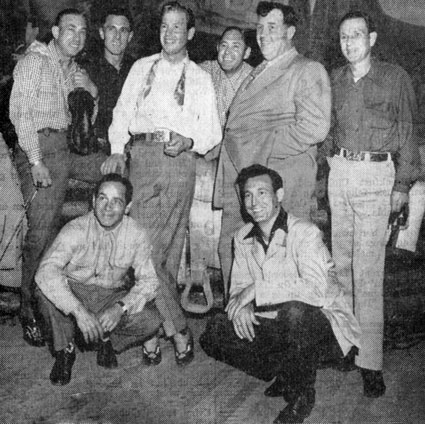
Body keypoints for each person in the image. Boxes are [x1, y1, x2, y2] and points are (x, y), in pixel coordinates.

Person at [101, 1, 222, 365]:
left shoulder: (199, 78)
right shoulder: (141, 68)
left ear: (189, 34)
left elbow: (212, 130)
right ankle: (177, 330)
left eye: (177, 28)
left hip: (178, 163)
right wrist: (118, 149)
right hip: (142, 158)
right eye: (164, 27)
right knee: (148, 253)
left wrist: (189, 140)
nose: (169, 34)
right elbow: (121, 113)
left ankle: (152, 334)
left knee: (163, 255)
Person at [200, 164, 360, 424]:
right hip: (278, 325)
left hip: (325, 328)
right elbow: (237, 291)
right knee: (215, 332)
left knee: (294, 312)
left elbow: (318, 291)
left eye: (262, 193)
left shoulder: (305, 233)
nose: (254, 202)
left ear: (279, 195)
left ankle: (302, 395)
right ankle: (287, 369)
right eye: (248, 195)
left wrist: (258, 290)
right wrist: (242, 306)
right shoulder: (242, 237)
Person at [323, 11, 420, 397]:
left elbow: (409, 132)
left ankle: (371, 361)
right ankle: (347, 345)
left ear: (372, 38)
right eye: (344, 36)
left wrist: (402, 185)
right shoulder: (335, 79)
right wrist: (330, 159)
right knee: (341, 265)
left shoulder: (395, 77)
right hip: (341, 173)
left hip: (377, 176)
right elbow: (328, 125)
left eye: (357, 35)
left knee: (368, 272)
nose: (350, 42)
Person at [214, 2, 331, 293]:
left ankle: (272, 335)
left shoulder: (306, 69)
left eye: (272, 28)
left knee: (280, 264)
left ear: (290, 32)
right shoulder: (259, 70)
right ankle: (239, 325)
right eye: (260, 28)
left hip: (279, 181)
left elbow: (314, 127)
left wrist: (258, 149)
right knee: (235, 252)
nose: (263, 34)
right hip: (240, 178)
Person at [9, 8, 107, 347]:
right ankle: (28, 308)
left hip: (69, 149)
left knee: (115, 172)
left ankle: (97, 285)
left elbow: (85, 126)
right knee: (41, 232)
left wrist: (92, 93)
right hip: (38, 146)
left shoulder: (76, 72)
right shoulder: (35, 62)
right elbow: (20, 112)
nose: (76, 36)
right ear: (54, 31)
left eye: (82, 31)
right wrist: (35, 161)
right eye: (69, 29)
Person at [35, 174, 163, 386]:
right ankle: (65, 350)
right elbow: (46, 272)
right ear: (93, 201)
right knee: (43, 291)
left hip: (109, 296)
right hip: (74, 291)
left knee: (151, 320)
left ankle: (107, 340)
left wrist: (120, 308)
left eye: (117, 202)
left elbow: (149, 281)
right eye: (102, 198)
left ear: (128, 207)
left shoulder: (136, 234)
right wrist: (78, 311)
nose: (107, 207)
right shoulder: (75, 229)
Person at [80, 7, 135, 154]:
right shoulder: (88, 69)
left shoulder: (138, 69)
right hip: (98, 148)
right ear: (102, 33)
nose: (117, 37)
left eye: (123, 30)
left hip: (132, 145)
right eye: (112, 29)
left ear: (130, 36)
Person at [200, 26, 252, 129]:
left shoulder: (254, 82)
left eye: (235, 46)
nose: (227, 51)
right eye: (224, 45)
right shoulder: (206, 70)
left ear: (246, 53)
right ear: (218, 48)